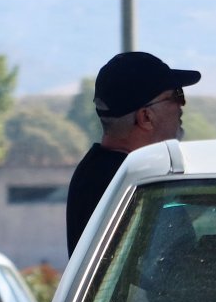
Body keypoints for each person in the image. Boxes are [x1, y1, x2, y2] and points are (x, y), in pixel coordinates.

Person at [65, 51, 201, 256]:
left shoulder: (97, 174)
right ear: (146, 117)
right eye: (176, 96)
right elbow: (181, 265)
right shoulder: (138, 184)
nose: (181, 105)